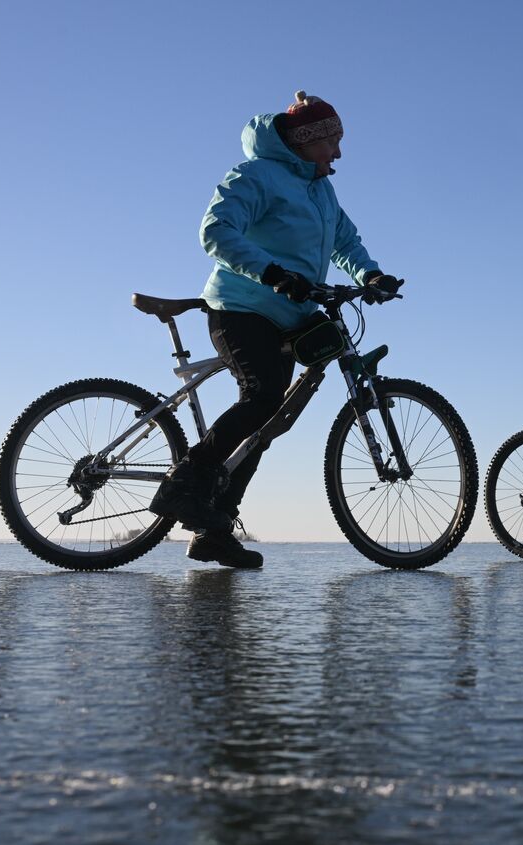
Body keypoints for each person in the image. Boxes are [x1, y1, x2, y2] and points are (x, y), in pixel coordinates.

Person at [148, 91, 402, 568]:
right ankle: (182, 484)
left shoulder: (321, 190)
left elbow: (346, 242)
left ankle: (215, 529)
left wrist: (369, 275)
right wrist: (270, 272)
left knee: (268, 423)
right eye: (332, 142)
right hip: (241, 305)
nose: (339, 154)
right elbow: (216, 230)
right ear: (305, 141)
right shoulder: (255, 175)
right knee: (263, 396)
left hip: (292, 313)